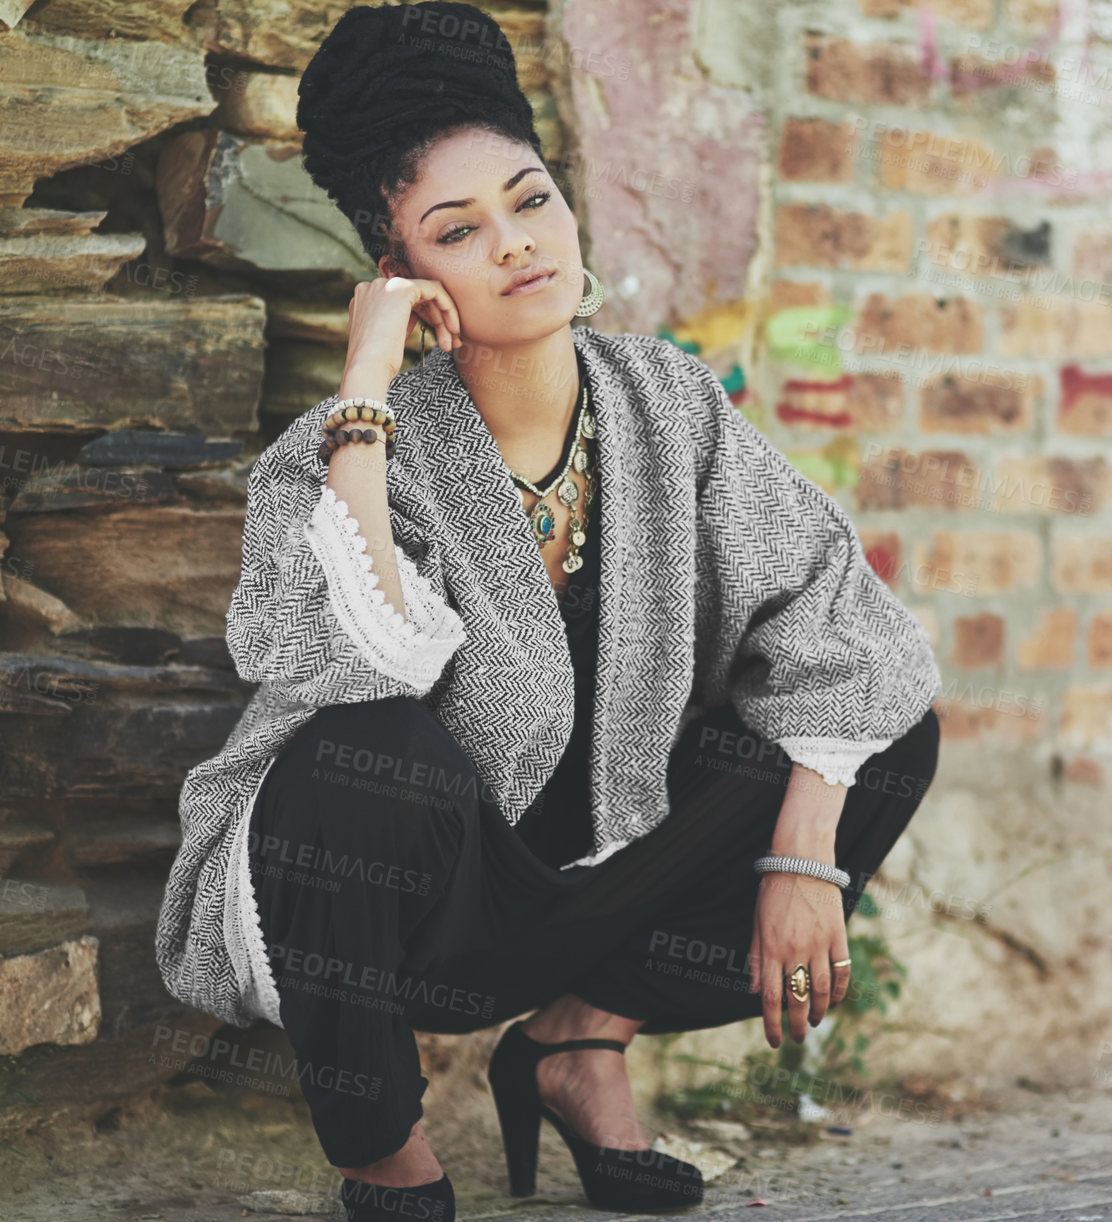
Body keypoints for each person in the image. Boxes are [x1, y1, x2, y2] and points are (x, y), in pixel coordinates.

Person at [152, 4, 942, 1220]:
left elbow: (838, 618)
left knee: (885, 722)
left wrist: (800, 857)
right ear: (406, 276)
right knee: (361, 751)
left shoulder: (667, 402)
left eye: (530, 200)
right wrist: (363, 394)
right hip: (423, 915)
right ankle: (381, 1148)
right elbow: (362, 659)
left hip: (604, 887)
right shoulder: (345, 454)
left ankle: (578, 1044)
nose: (516, 244)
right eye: (457, 230)